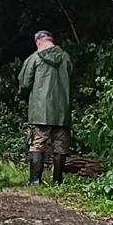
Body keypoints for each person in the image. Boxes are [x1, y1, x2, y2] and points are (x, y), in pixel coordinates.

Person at [18, 27, 73, 184]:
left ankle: (35, 181)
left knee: (37, 144)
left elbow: (24, 83)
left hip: (40, 111)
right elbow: (71, 78)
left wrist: (24, 96)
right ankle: (57, 181)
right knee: (61, 146)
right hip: (62, 111)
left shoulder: (34, 58)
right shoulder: (66, 58)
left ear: (38, 42)